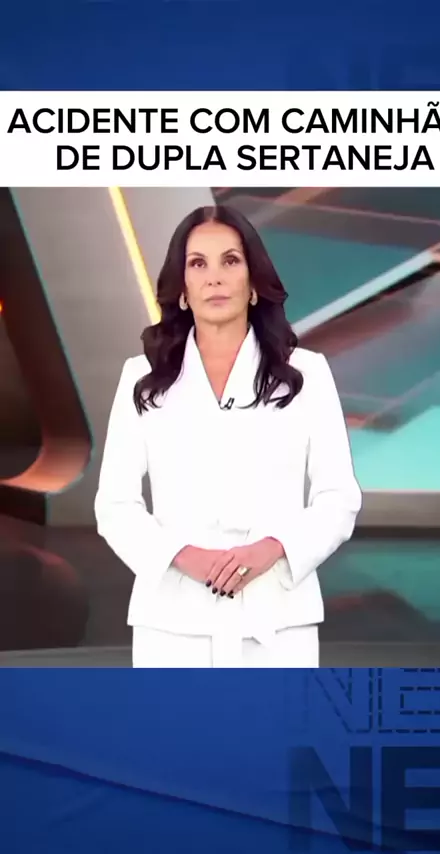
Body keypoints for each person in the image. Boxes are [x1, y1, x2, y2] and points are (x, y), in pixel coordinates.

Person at [94, 204, 362, 668]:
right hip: (172, 624)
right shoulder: (142, 377)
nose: (214, 278)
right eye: (198, 264)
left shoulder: (307, 374)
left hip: (279, 621)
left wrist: (272, 550)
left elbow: (339, 499)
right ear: (182, 289)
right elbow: (114, 505)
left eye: (230, 261)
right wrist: (184, 556)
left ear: (253, 283)